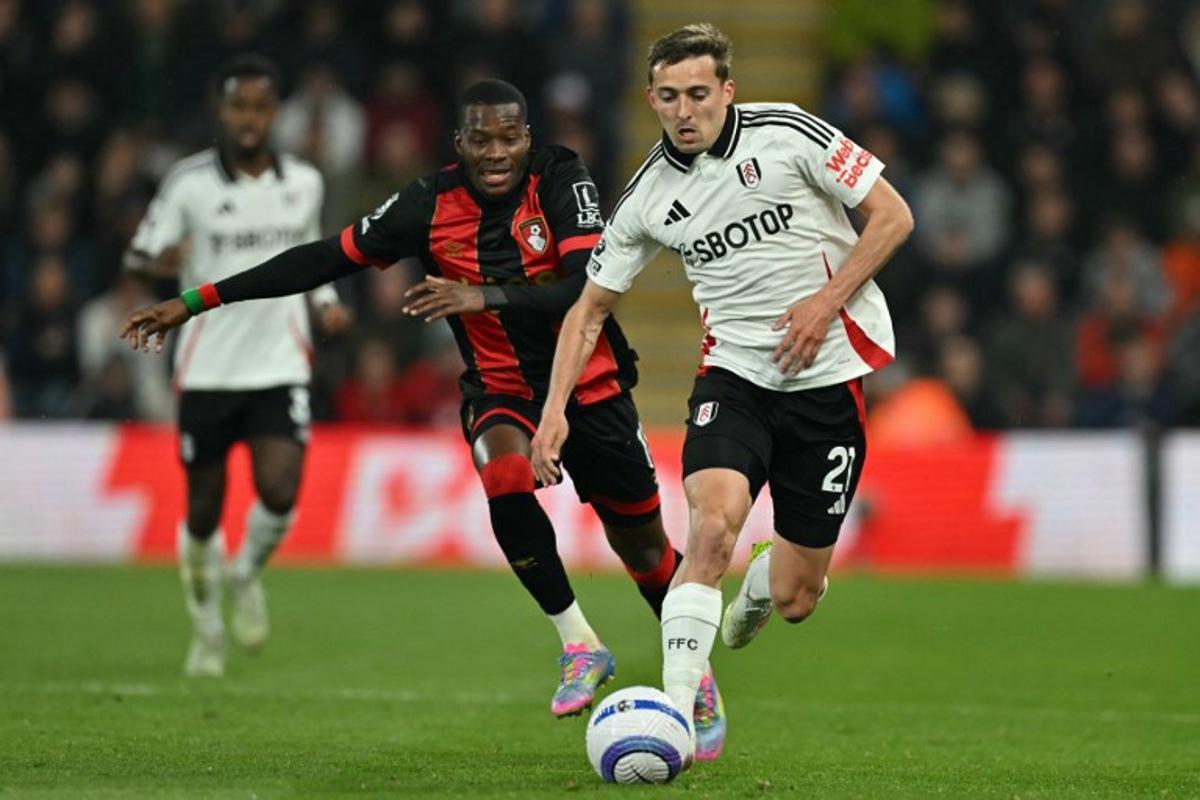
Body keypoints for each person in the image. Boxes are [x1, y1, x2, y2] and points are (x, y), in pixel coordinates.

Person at [120, 79, 728, 759]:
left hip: (591, 386)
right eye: (481, 139)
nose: (497, 152)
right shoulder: (427, 203)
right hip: (499, 387)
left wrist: (481, 295)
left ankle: (694, 672)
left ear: (527, 137)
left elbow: (586, 290)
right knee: (501, 471)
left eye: (509, 137)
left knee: (643, 549)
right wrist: (198, 299)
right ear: (459, 144)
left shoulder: (560, 176)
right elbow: (325, 257)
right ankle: (579, 643)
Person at [530, 23, 914, 747]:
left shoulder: (789, 134)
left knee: (801, 599)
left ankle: (768, 580)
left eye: (699, 94)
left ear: (726, 91)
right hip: (733, 380)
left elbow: (894, 217)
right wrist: (553, 412)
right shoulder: (646, 196)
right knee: (709, 531)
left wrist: (825, 305)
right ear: (650, 99)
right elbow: (589, 310)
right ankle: (680, 709)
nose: (685, 111)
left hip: (828, 386)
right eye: (669, 97)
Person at [123, 55, 352, 678]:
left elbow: (311, 255)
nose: (249, 119)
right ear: (221, 112)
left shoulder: (303, 181)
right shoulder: (188, 183)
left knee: (280, 491)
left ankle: (246, 572)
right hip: (207, 368)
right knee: (203, 509)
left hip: (279, 362)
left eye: (259, 107)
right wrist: (158, 266)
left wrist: (327, 302)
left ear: (274, 113)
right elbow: (140, 256)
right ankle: (205, 630)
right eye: (238, 107)